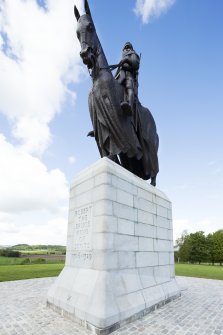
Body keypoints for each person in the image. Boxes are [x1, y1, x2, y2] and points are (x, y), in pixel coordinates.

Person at [115, 42, 140, 115]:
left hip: (129, 74)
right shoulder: (123, 56)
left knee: (129, 87)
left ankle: (130, 105)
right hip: (121, 75)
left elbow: (136, 64)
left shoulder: (133, 54)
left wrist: (127, 60)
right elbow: (118, 70)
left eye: (128, 47)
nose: (126, 48)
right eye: (125, 47)